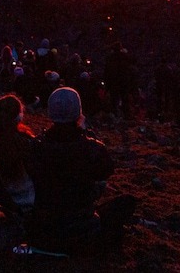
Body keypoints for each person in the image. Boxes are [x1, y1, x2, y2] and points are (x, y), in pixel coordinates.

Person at [28, 86, 136, 255]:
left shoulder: (35, 146)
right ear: (78, 112)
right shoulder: (91, 149)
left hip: (43, 226)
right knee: (127, 202)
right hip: (80, 224)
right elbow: (106, 169)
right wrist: (86, 132)